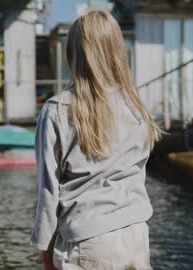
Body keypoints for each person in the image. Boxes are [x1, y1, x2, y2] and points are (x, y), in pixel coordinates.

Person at [30, 11, 162, 270]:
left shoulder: (57, 110)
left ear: (74, 53)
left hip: (87, 238)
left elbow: (48, 193)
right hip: (135, 234)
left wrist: (45, 253)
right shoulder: (136, 107)